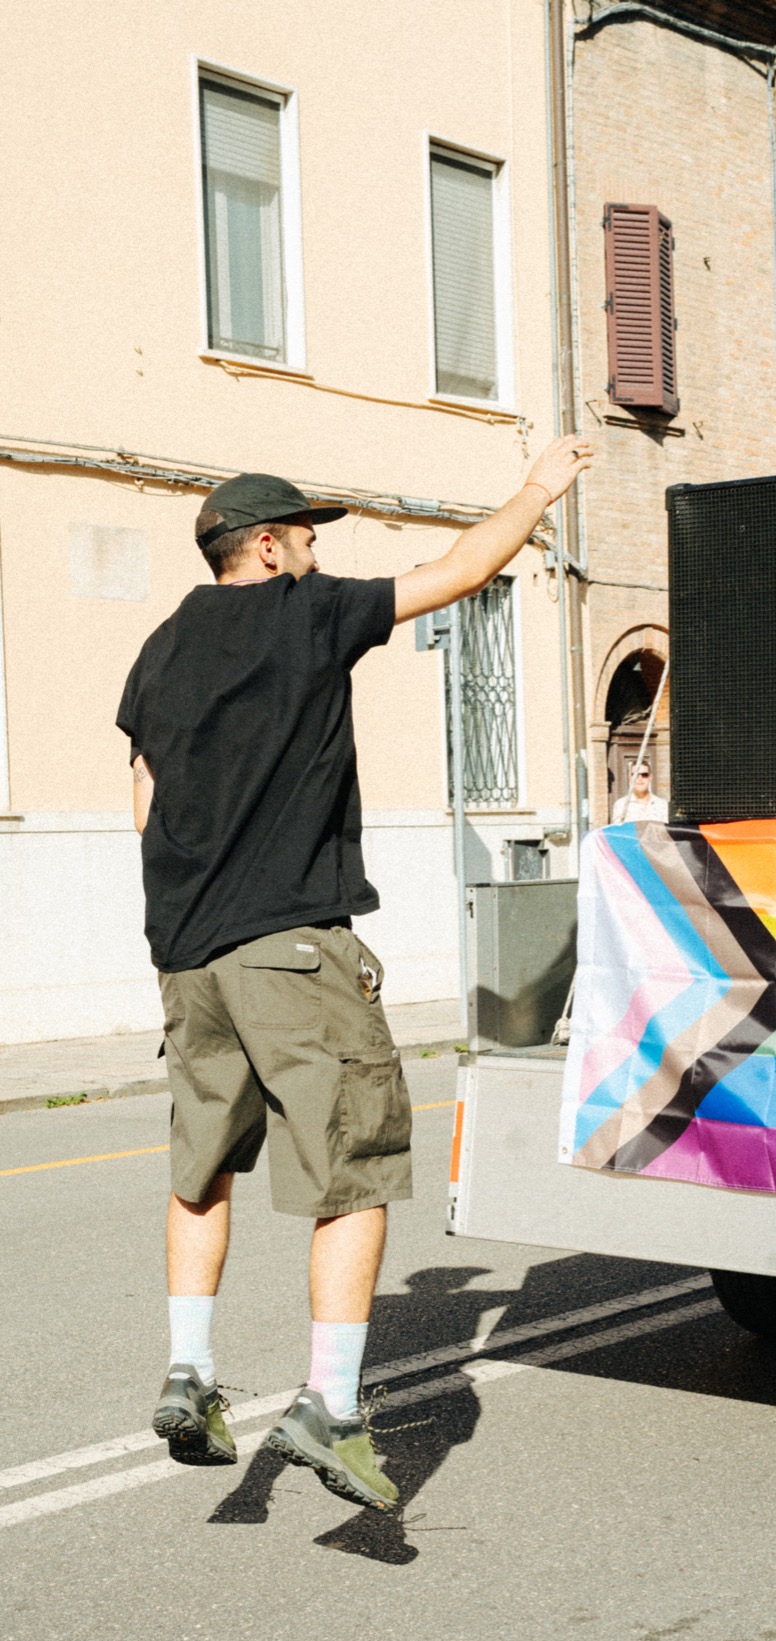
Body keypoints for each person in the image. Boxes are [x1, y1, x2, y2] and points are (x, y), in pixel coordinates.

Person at [117, 435, 593, 1511]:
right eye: (307, 537)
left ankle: (188, 1371)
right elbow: (459, 570)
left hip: (186, 956)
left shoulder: (159, 649)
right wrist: (536, 488)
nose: (317, 552)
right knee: (356, 1168)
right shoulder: (309, 611)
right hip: (291, 940)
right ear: (270, 547)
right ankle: (328, 1404)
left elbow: (144, 798)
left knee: (202, 1166)